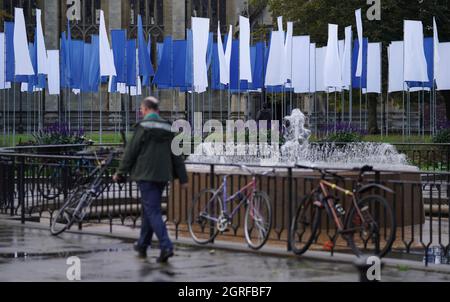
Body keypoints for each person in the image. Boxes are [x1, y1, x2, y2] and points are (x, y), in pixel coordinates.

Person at [113, 97, 188, 263]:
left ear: (146, 109)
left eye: (141, 109)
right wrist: (183, 178)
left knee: (152, 210)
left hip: (145, 175)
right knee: (149, 209)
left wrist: (120, 172)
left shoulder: (143, 126)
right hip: (162, 175)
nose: (141, 112)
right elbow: (177, 155)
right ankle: (142, 244)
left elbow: (131, 152)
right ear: (157, 110)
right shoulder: (168, 127)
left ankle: (166, 245)